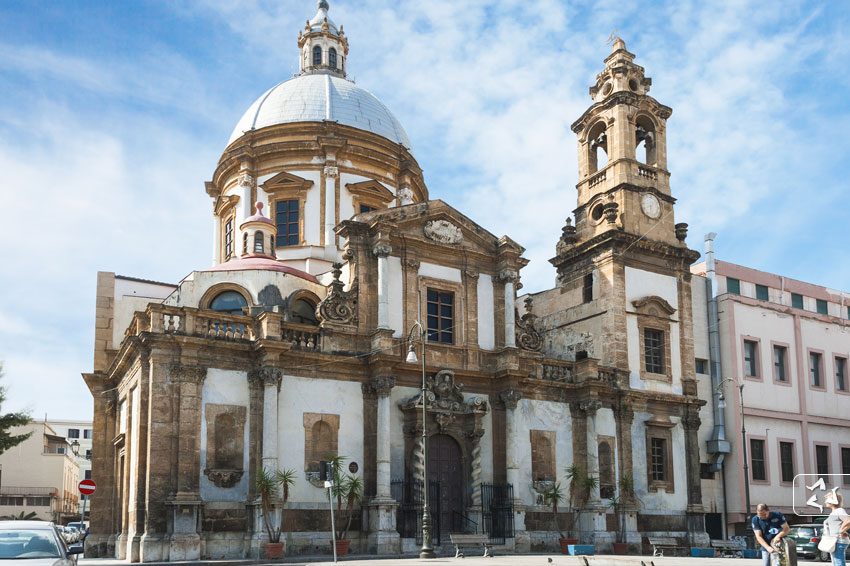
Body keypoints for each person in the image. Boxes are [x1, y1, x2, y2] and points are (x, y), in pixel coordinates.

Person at [824, 490, 850, 566]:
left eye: (827, 499)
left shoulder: (839, 510)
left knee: (838, 562)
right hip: (835, 541)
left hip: (839, 540)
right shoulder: (834, 512)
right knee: (836, 562)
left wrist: (841, 531)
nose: (825, 501)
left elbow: (848, 520)